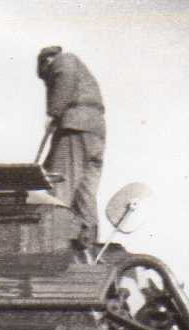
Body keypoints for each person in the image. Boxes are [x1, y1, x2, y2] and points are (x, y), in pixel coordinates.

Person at [37, 45, 106, 247]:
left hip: (75, 126)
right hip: (95, 133)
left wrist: (54, 112)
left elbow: (64, 75)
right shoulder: (77, 68)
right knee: (85, 192)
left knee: (59, 184)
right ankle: (87, 242)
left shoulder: (64, 60)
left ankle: (53, 243)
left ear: (47, 62)